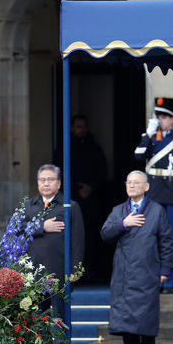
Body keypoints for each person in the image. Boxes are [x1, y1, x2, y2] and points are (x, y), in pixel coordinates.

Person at [101, 170, 173, 344]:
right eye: (129, 182)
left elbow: (166, 241)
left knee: (146, 328)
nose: (132, 185)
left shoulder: (156, 211)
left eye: (136, 182)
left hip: (147, 274)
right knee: (127, 331)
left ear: (146, 186)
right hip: (123, 276)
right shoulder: (118, 210)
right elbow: (105, 234)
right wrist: (123, 224)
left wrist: (165, 270)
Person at [134, 97, 173, 294]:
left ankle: (169, 282)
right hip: (154, 194)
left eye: (165, 116)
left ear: (172, 119)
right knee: (152, 237)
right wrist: (148, 135)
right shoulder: (148, 138)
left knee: (171, 239)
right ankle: (155, 280)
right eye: (158, 116)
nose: (161, 119)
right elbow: (139, 156)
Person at [24, 164, 85, 320]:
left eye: (50, 179)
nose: (46, 183)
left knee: (60, 322)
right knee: (37, 323)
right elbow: (17, 231)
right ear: (37, 183)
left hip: (59, 272)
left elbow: (78, 241)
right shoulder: (28, 206)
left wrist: (75, 270)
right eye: (42, 180)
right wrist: (42, 226)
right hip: (34, 274)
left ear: (58, 183)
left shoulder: (69, 206)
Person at [70, 114, 108, 284]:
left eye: (83, 126)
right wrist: (77, 188)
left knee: (91, 240)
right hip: (72, 199)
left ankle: (91, 273)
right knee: (72, 238)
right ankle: (73, 274)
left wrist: (91, 186)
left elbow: (103, 171)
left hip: (91, 201)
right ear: (72, 128)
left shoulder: (95, 148)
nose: (81, 129)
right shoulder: (66, 147)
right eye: (78, 126)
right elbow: (61, 171)